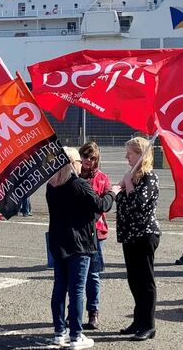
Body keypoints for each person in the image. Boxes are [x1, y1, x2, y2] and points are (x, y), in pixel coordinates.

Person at [47, 147, 116, 349]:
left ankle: (60, 331)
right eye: (78, 160)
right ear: (72, 163)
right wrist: (113, 192)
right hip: (79, 244)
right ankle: (76, 335)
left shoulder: (52, 185)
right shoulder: (79, 185)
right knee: (77, 289)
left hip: (59, 241)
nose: (81, 164)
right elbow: (101, 204)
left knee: (60, 287)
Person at [116, 136, 160, 342]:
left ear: (141, 155)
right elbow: (123, 204)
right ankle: (138, 320)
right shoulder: (133, 177)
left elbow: (138, 205)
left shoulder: (149, 178)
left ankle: (149, 325)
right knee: (134, 280)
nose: (126, 157)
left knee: (145, 281)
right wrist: (120, 188)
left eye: (130, 153)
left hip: (144, 234)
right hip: (130, 235)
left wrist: (127, 185)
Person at [78, 141, 111, 330]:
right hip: (77, 232)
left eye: (92, 158)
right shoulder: (73, 175)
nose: (88, 160)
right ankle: (73, 311)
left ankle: (93, 312)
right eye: (85, 156)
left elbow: (106, 202)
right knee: (76, 276)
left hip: (97, 233)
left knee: (93, 275)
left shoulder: (103, 178)